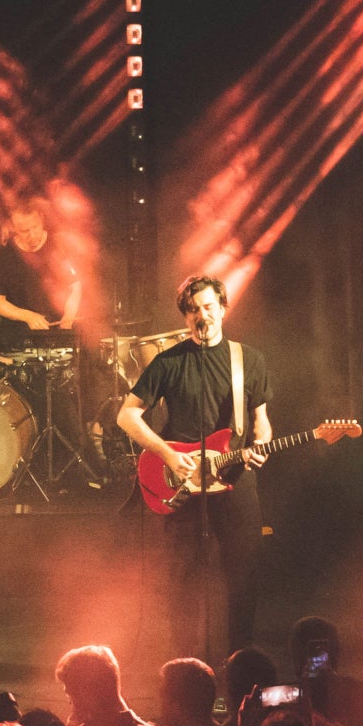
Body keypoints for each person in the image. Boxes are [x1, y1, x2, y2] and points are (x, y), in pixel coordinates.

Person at [119, 273, 273, 659]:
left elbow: (261, 420)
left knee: (245, 575)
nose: (201, 316)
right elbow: (127, 416)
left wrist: (262, 445)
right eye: (192, 310)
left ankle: (241, 660)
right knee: (182, 582)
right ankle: (187, 665)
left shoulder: (248, 360)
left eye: (207, 307)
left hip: (235, 479)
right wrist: (168, 454)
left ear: (223, 309)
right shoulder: (169, 362)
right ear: (185, 317)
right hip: (182, 483)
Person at [0, 197, 82, 371]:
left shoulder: (59, 247)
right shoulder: (3, 256)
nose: (32, 235)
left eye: (35, 227)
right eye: (24, 230)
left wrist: (67, 319)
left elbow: (75, 286)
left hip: (56, 339)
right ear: (14, 228)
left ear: (41, 220)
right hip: (15, 341)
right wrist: (28, 316)